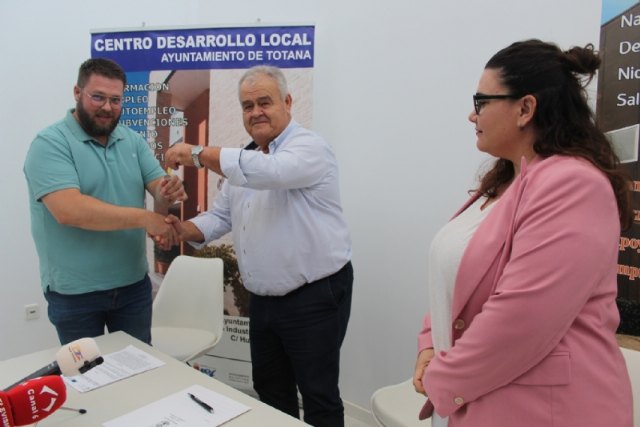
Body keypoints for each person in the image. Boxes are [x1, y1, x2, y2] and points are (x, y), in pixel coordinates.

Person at [412, 39, 634, 427]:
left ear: (525, 109)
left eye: (482, 102)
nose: (471, 115)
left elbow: (523, 318)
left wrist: (443, 376)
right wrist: (431, 342)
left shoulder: (573, 184)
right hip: (486, 397)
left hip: (549, 412)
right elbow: (461, 276)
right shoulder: (505, 182)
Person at [164, 65, 353, 427]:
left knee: (318, 394)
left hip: (314, 296)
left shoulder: (309, 147)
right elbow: (220, 216)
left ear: (288, 102)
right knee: (270, 390)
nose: (255, 112)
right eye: (247, 106)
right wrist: (180, 230)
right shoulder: (245, 160)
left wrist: (197, 153)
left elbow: (272, 172)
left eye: (264, 102)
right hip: (263, 300)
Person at [24, 58, 186, 345]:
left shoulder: (133, 141)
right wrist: (145, 218)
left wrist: (168, 191)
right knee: (87, 372)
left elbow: (158, 190)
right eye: (98, 97)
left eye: (115, 99)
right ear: (77, 92)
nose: (108, 107)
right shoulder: (49, 144)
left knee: (140, 366)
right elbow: (69, 210)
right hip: (75, 294)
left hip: (133, 287)